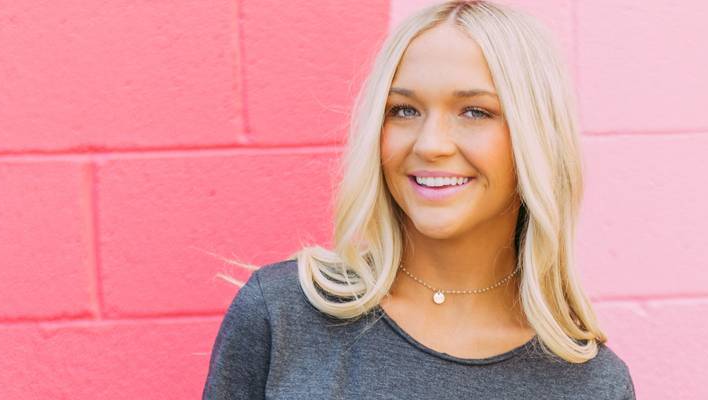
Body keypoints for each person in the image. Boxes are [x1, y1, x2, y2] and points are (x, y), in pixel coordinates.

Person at [201, 1, 634, 398]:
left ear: (536, 139)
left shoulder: (592, 384)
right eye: (404, 110)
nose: (430, 144)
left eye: (475, 111)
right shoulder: (281, 315)